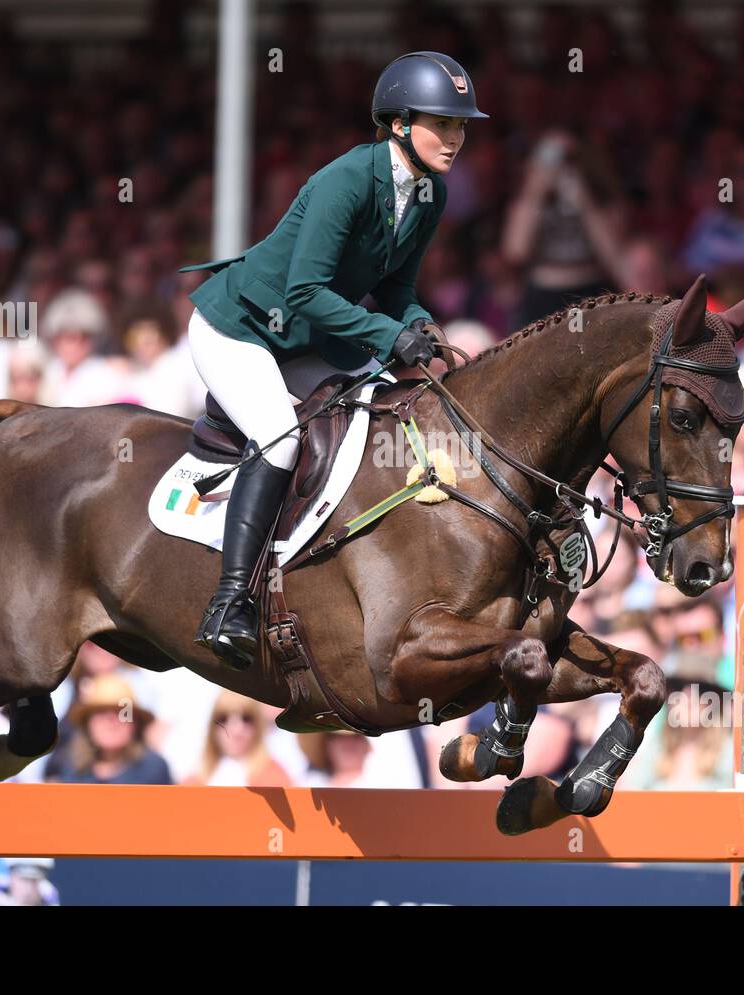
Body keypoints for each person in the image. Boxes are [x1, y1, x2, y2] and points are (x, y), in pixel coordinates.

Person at [180, 52, 485, 668]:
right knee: (280, 438)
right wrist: (387, 336)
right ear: (399, 123)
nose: (455, 138)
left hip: (308, 339)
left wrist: (419, 325)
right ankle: (230, 603)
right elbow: (305, 292)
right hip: (239, 329)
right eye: (442, 124)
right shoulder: (345, 180)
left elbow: (396, 288)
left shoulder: (429, 192)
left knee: (371, 425)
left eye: (461, 126)